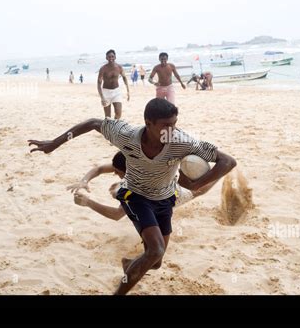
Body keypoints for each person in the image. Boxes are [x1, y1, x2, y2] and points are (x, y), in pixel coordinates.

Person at [28, 98, 237, 295]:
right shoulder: (126, 134)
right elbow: (92, 123)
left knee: (156, 261)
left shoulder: (182, 142)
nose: (172, 130)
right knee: (155, 250)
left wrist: (196, 183)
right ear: (148, 123)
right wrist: (53, 145)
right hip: (134, 195)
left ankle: (129, 264)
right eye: (166, 125)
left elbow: (227, 161)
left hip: (164, 198)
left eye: (174, 124)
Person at [67, 151, 218, 222]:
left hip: (171, 195)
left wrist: (88, 202)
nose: (114, 173)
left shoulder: (137, 185)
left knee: (197, 192)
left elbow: (117, 215)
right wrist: (84, 181)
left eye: (118, 172)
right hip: (162, 183)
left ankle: (221, 173)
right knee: (120, 191)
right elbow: (99, 169)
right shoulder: (133, 162)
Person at [97, 49, 130, 119]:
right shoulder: (103, 69)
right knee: (107, 117)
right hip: (106, 92)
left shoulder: (119, 67)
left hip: (116, 92)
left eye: (112, 56)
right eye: (109, 57)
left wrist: (128, 91)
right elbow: (98, 83)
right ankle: (109, 128)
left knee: (118, 114)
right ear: (106, 58)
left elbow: (124, 77)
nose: (111, 58)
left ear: (115, 57)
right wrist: (102, 97)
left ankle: (114, 127)